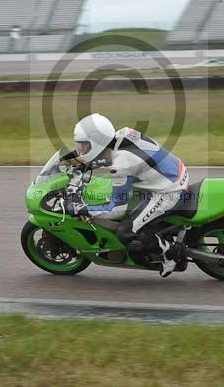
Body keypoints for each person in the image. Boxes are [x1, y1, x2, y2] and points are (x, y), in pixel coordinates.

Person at [69, 113, 190, 277]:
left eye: (84, 145)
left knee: (126, 231)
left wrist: (84, 209)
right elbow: (112, 157)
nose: (81, 149)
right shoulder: (124, 134)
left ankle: (169, 254)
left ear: (97, 143)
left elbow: (116, 209)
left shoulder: (120, 165)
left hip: (169, 191)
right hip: (174, 171)